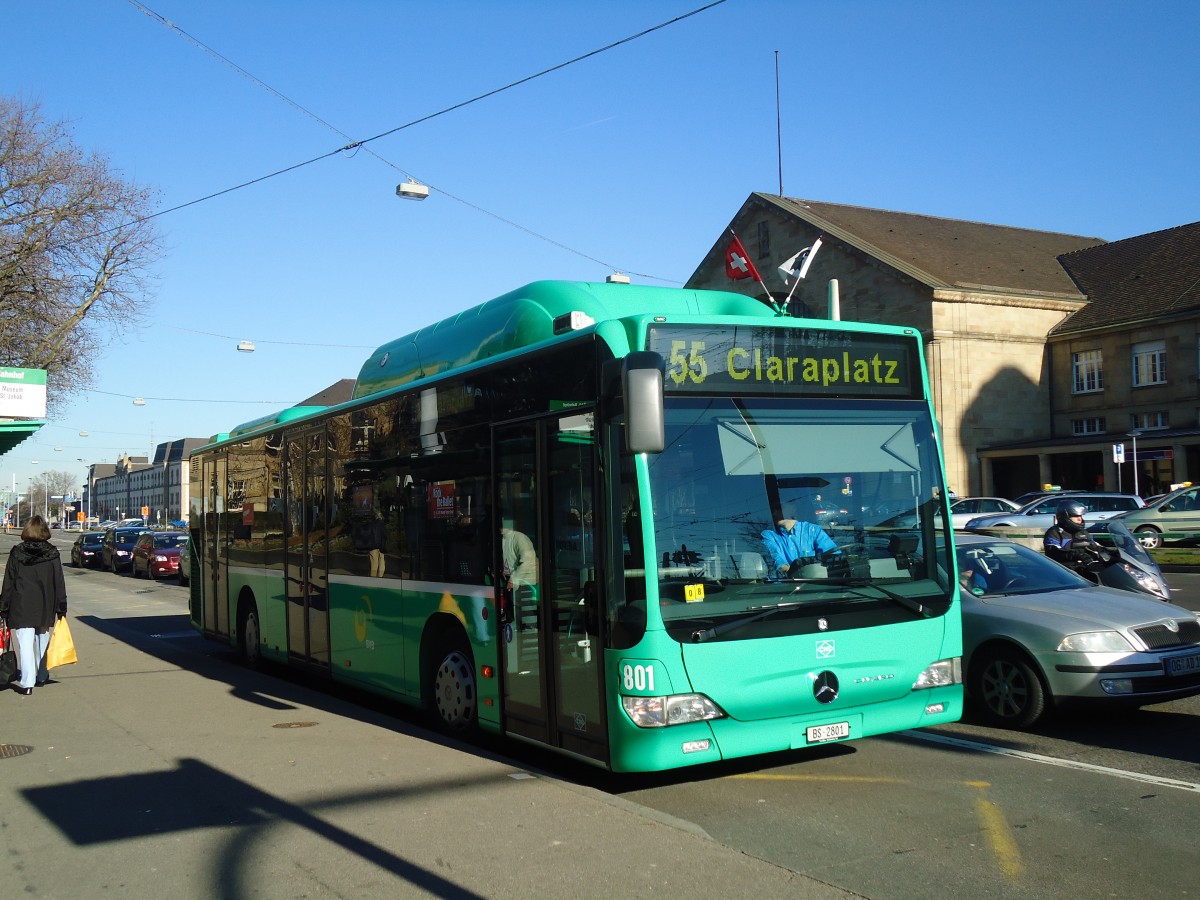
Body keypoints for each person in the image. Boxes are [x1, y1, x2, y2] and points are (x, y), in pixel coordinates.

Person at [0, 515, 68, 695]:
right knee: (42, 640)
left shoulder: (17, 552)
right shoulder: (52, 552)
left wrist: (3, 607)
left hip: (21, 604)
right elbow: (58, 581)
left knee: (25, 643)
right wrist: (61, 606)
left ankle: (27, 682)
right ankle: (42, 675)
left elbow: (9, 582)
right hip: (45, 603)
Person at [761, 502, 839, 579]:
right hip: (782, 586)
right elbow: (776, 558)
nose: (774, 513)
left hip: (814, 586)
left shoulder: (813, 530)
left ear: (793, 508)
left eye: (779, 508)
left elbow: (834, 557)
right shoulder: (769, 535)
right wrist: (787, 570)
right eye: (773, 510)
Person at [1043, 500, 1105, 569]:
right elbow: (1053, 553)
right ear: (1064, 516)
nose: (1080, 519)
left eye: (1080, 516)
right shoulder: (1055, 532)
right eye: (1075, 516)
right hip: (1063, 570)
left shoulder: (1082, 532)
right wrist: (1075, 555)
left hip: (1085, 567)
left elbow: (1094, 546)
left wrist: (1108, 551)